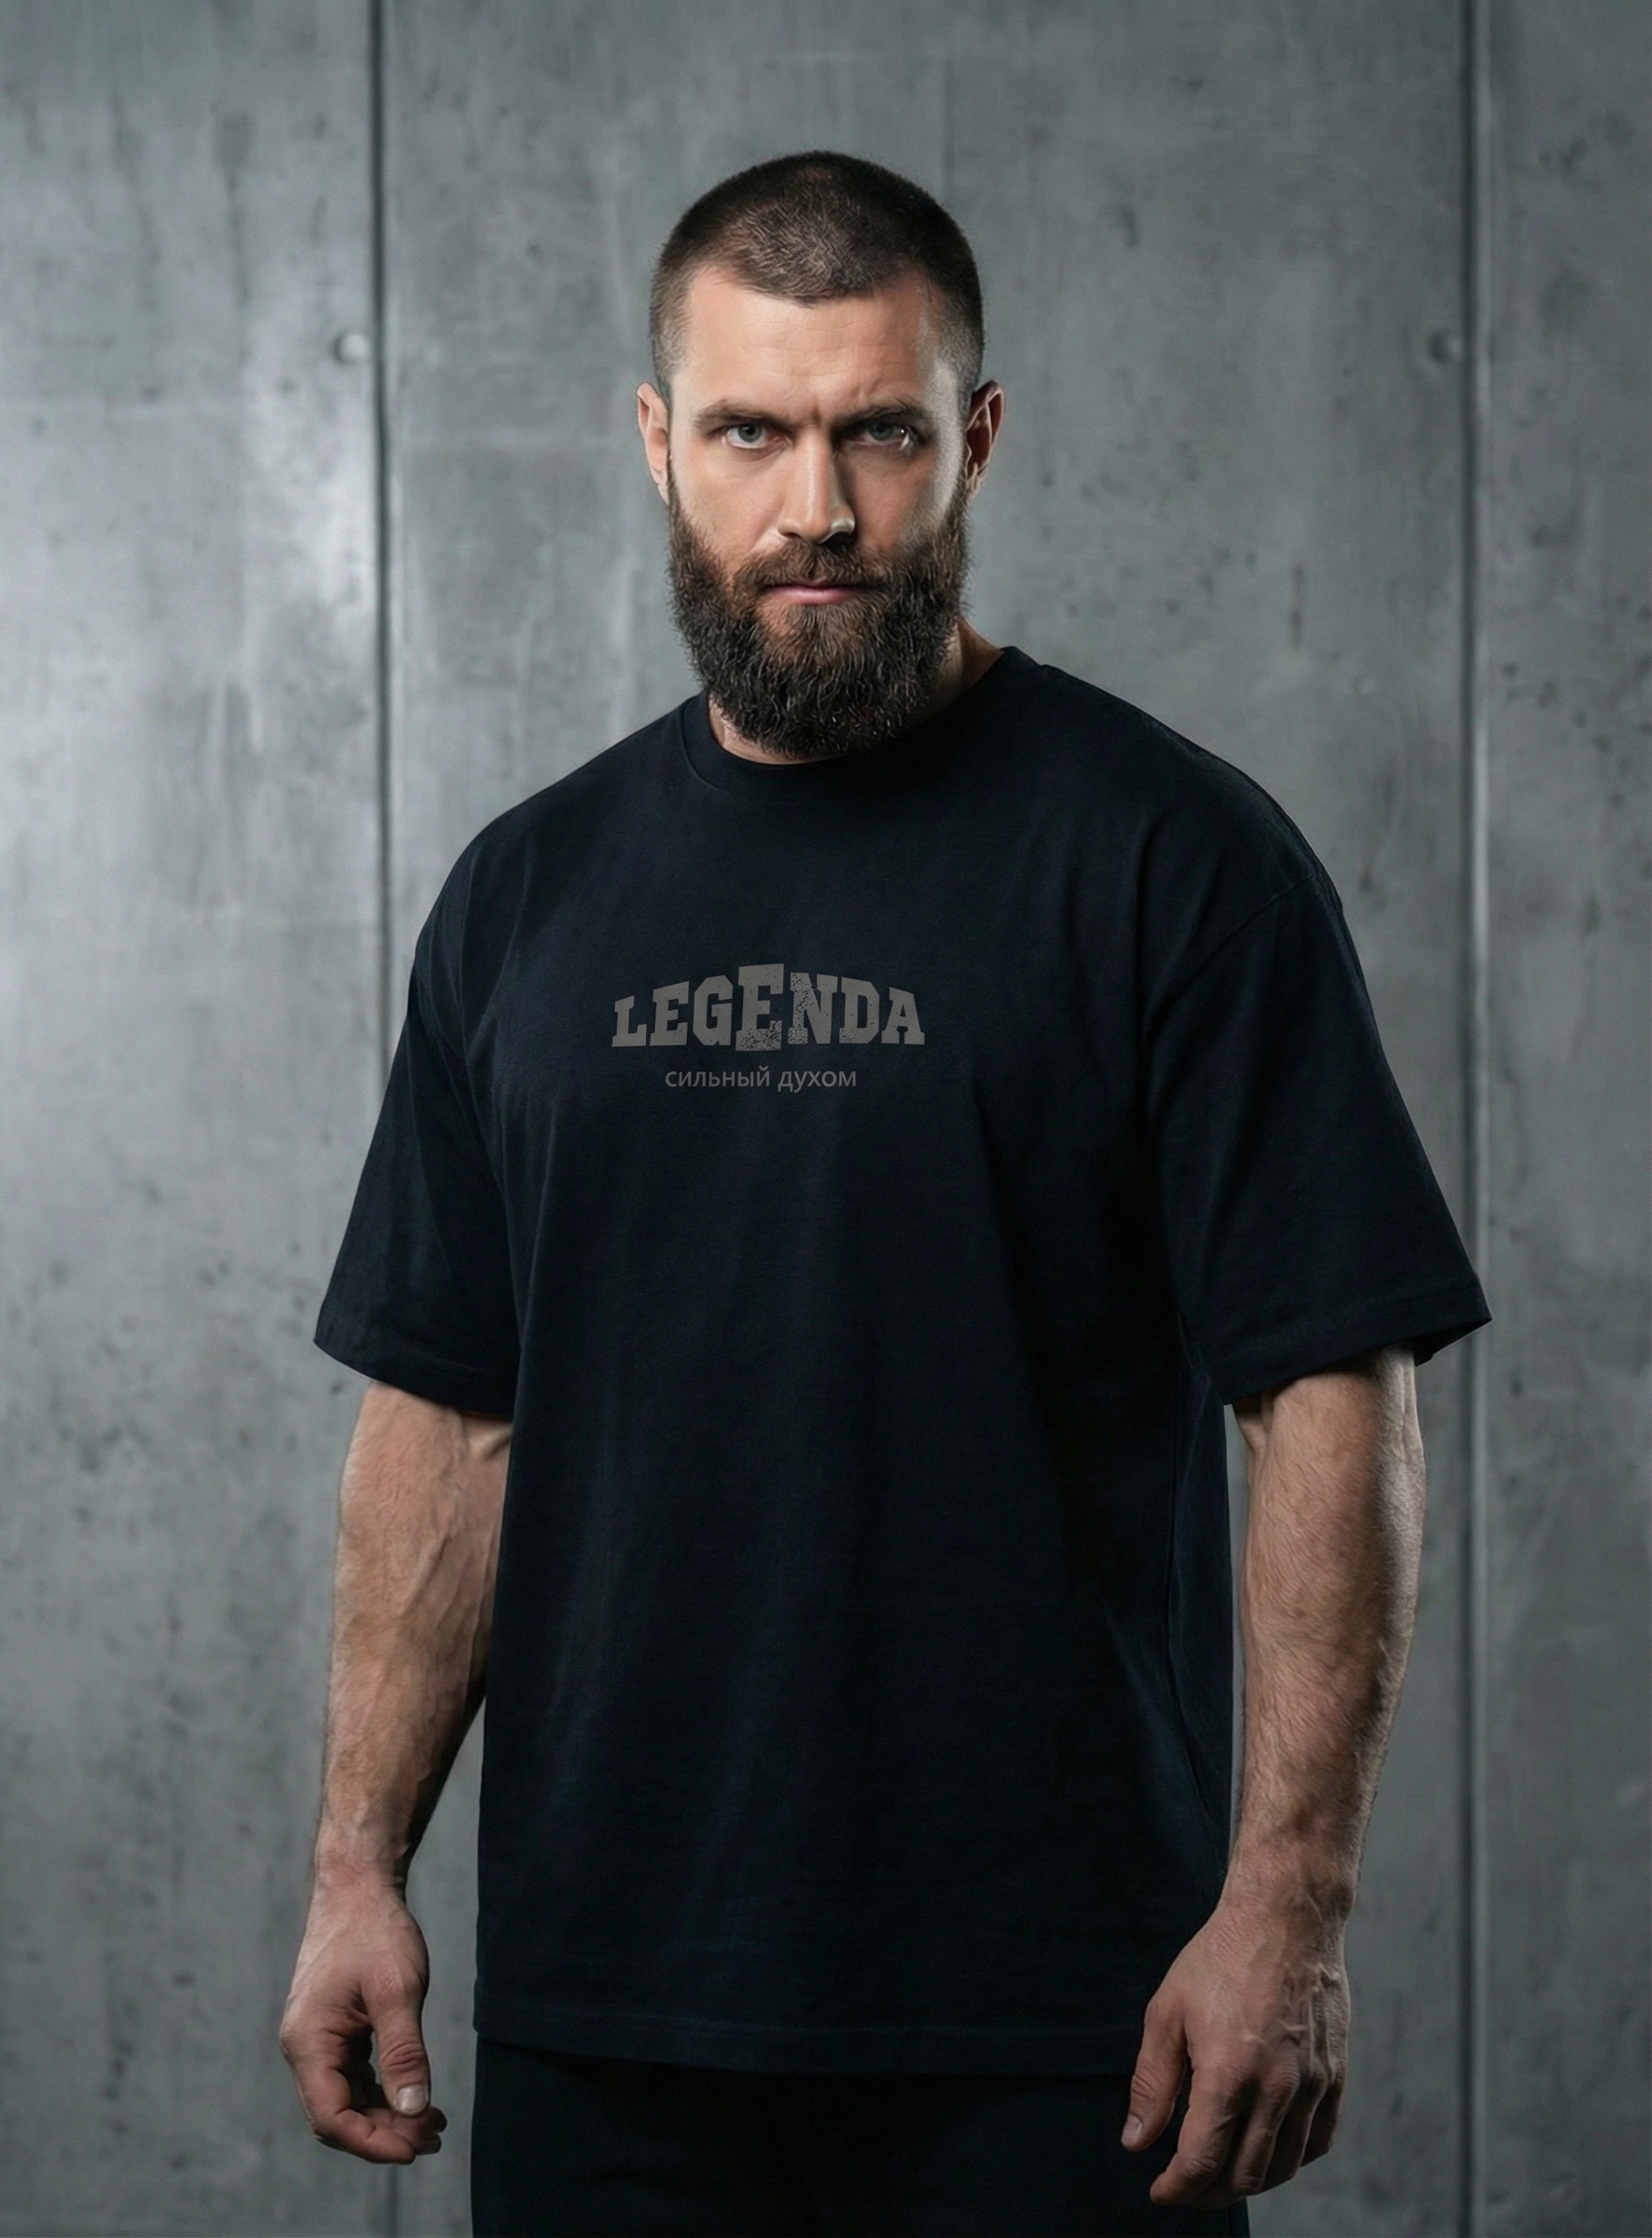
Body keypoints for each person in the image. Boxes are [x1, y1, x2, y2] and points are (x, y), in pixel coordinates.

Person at [279, 151, 1489, 2236]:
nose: (815, 507)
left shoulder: (1172, 862)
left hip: (1061, 2027)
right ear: (657, 441)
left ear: (975, 438)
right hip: (605, 2017)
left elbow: (1326, 1390)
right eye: (750, 431)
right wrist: (354, 1866)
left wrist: (1285, 1906)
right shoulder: (524, 895)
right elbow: (451, 1420)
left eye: (880, 434)